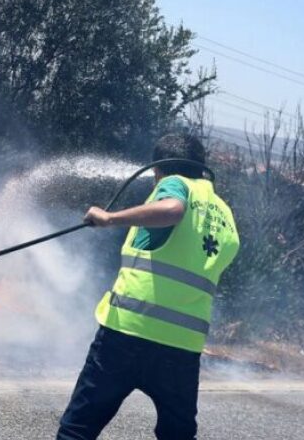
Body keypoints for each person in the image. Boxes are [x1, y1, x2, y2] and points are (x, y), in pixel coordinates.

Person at [56, 133, 240, 440]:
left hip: (128, 332)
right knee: (177, 435)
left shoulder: (176, 183)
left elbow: (172, 210)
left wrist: (109, 218)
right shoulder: (223, 212)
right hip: (182, 346)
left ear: (159, 168)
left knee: (77, 430)